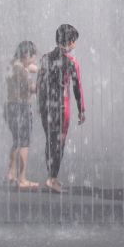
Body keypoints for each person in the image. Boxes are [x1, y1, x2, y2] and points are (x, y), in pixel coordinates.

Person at [37, 24, 86, 193]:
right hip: (61, 107)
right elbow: (77, 88)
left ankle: (51, 176)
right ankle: (52, 178)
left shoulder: (45, 58)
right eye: (75, 42)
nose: (75, 45)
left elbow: (39, 84)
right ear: (71, 41)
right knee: (59, 143)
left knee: (50, 141)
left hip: (46, 106)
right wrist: (82, 109)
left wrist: (40, 104)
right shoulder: (71, 62)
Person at [4, 41, 39, 189]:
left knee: (17, 141)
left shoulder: (12, 66)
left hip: (10, 107)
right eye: (33, 57)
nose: (34, 61)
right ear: (26, 55)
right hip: (21, 107)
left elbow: (31, 68)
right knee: (24, 143)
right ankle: (22, 179)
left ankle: (10, 175)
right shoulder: (21, 71)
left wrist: (31, 68)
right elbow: (32, 89)